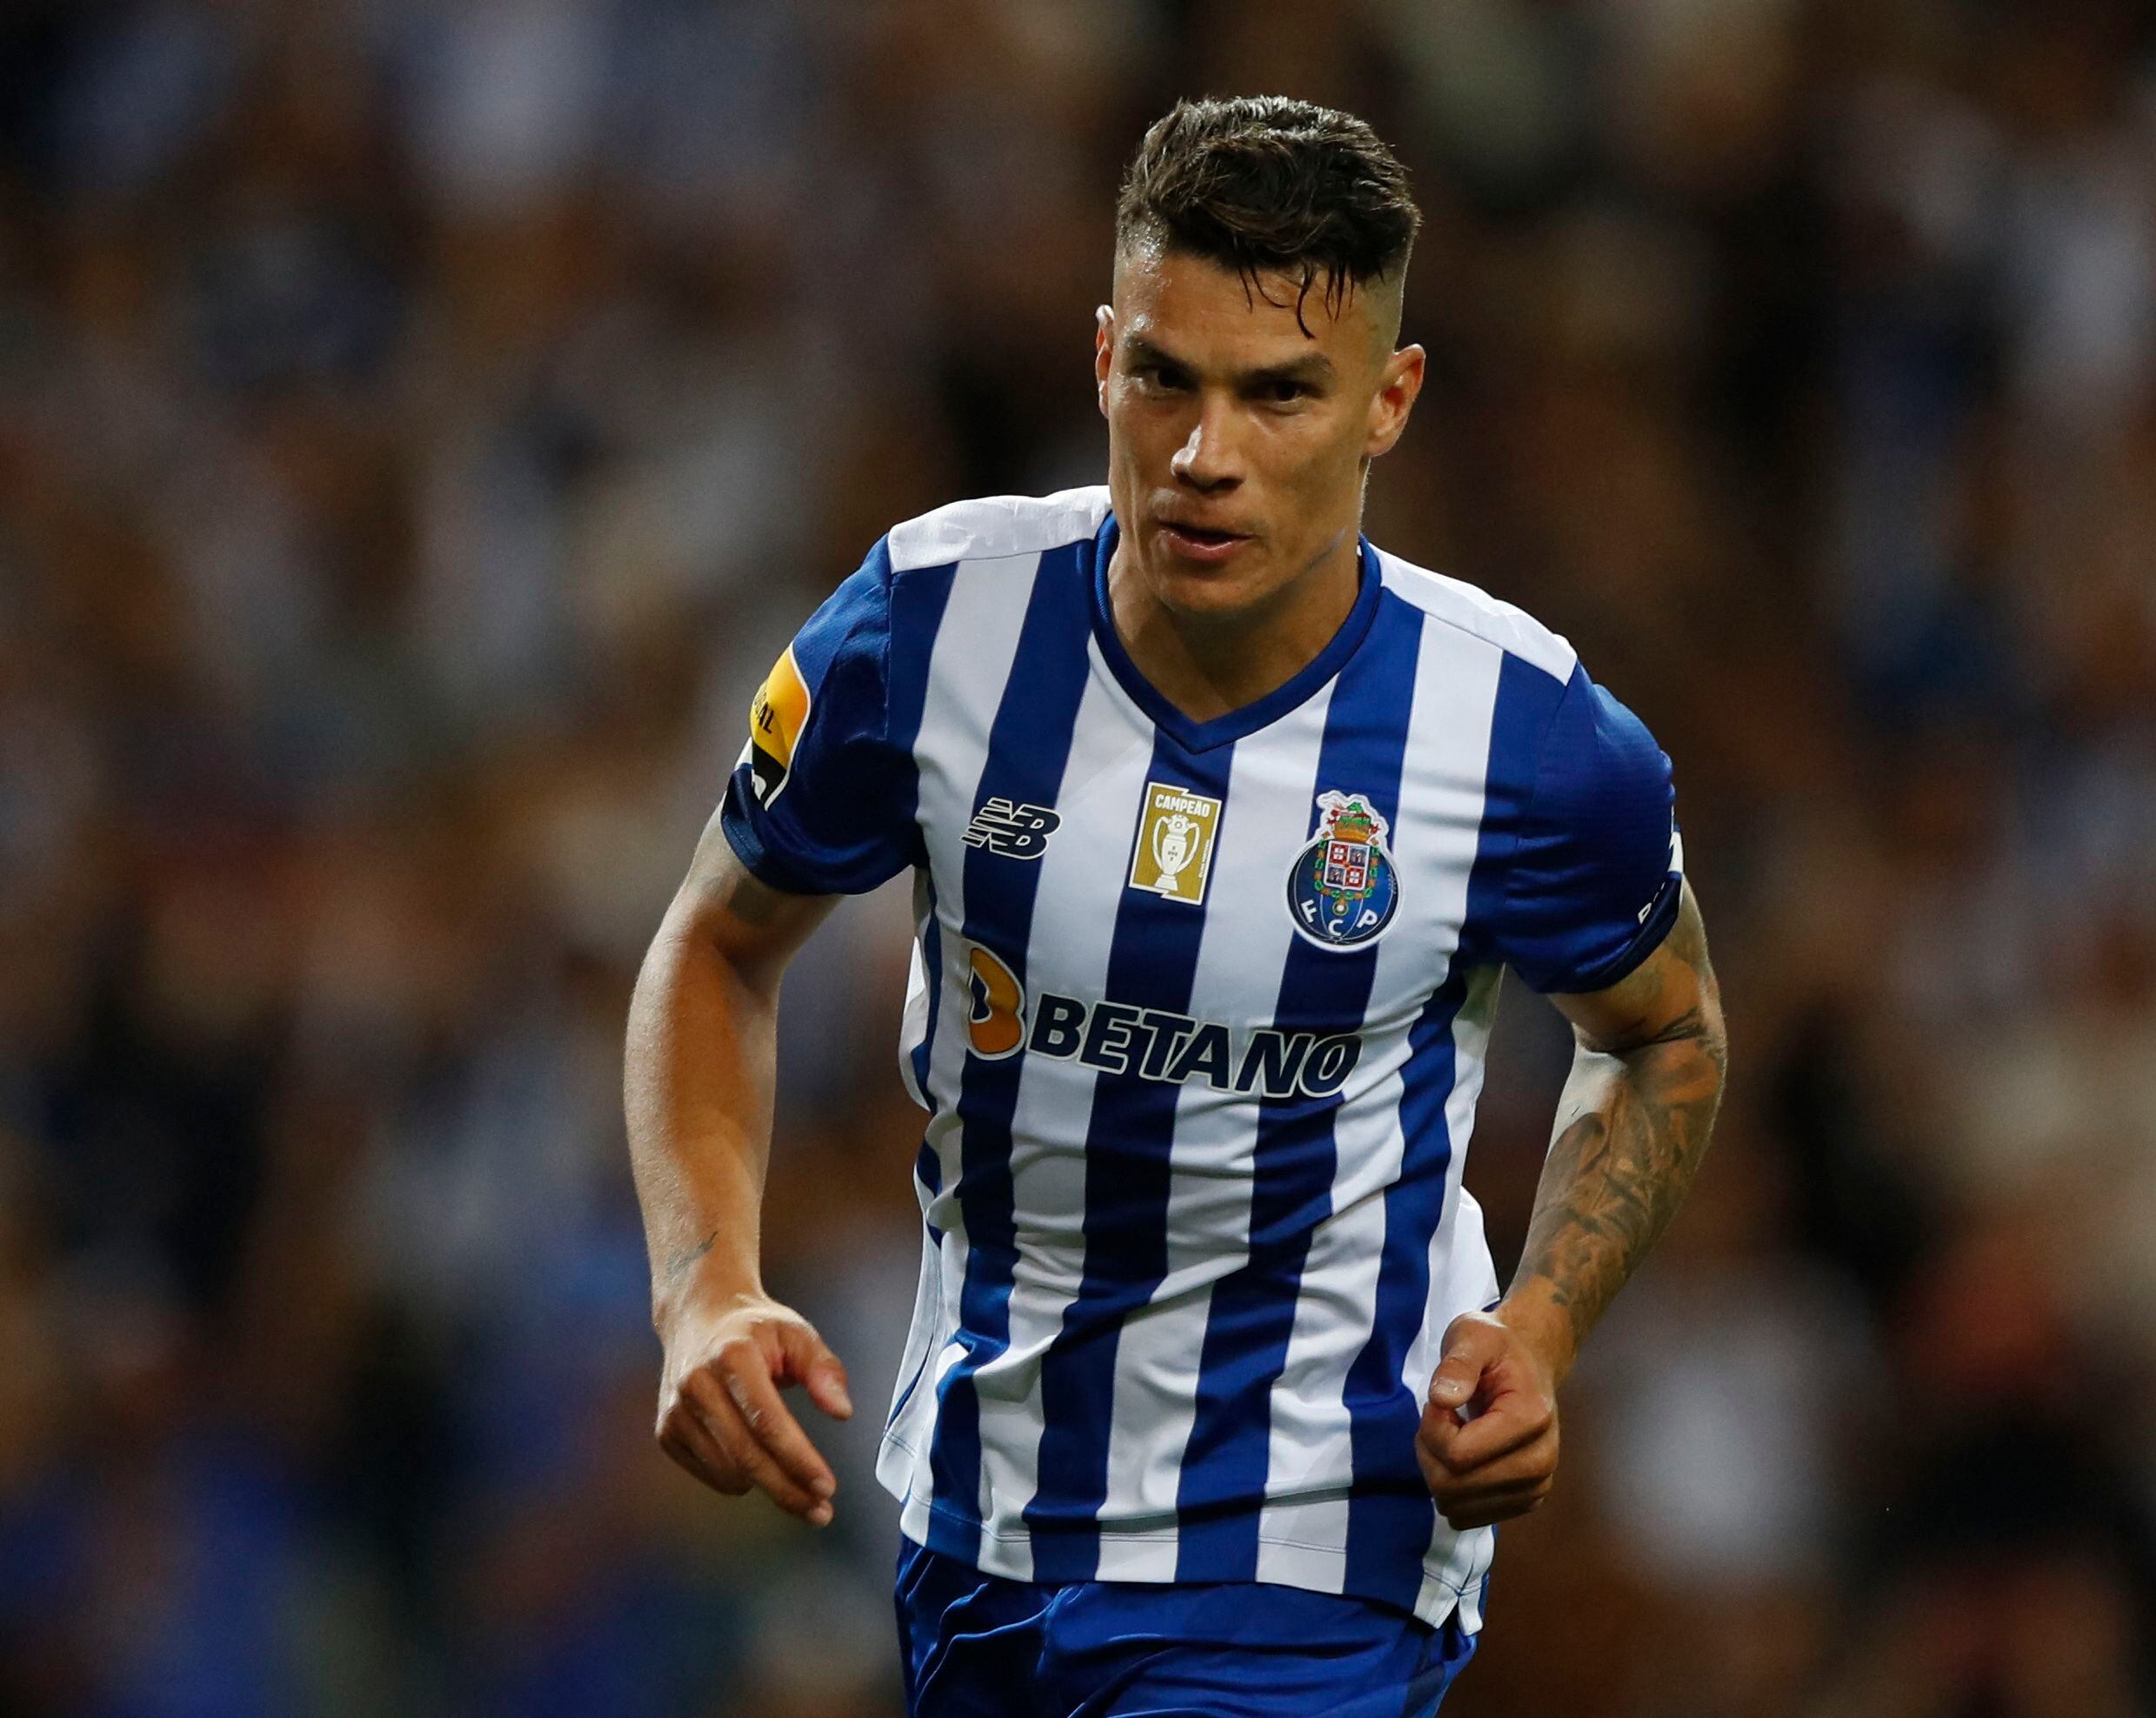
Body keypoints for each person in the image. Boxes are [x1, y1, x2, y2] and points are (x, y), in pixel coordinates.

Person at [624, 95, 1727, 1717]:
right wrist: (704, 1283)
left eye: (1281, 395)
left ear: (1388, 402)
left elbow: (1666, 1037)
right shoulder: (926, 631)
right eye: (1167, 379)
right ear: (1101, 362)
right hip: (979, 1530)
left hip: (1316, 1555)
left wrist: (1543, 1327)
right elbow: (718, 943)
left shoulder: (1529, 741)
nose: (1207, 455)